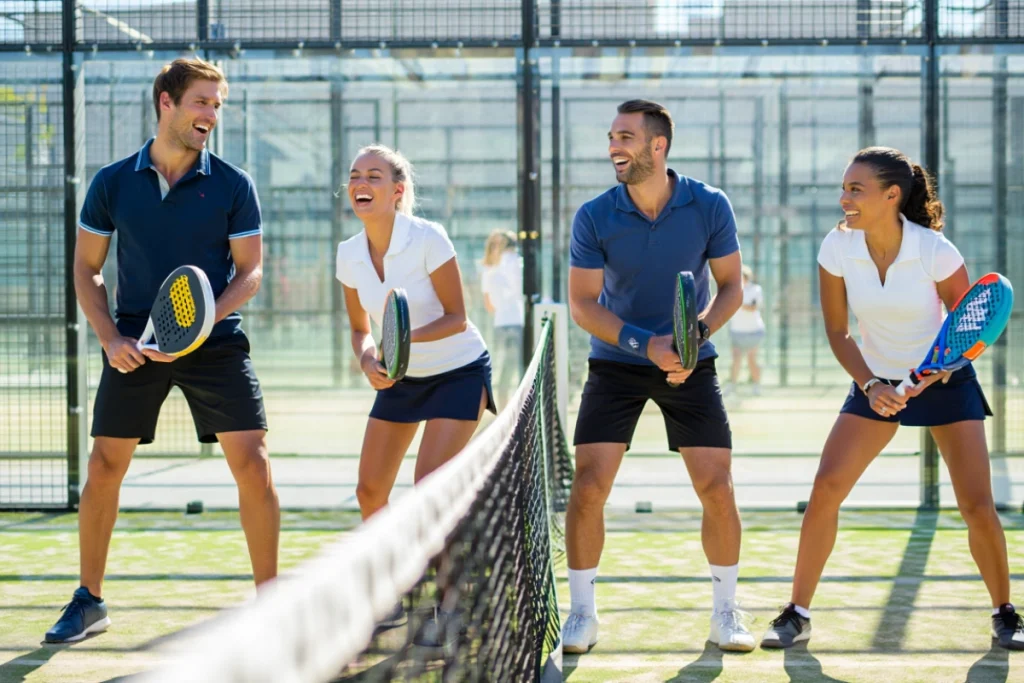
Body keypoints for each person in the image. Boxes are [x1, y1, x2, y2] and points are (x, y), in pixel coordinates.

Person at [46, 58, 279, 643]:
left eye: (218, 106)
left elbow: (249, 273)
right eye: (203, 102)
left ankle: (273, 606)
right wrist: (110, 337)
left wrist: (201, 322)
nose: (212, 115)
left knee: (252, 464)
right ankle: (89, 600)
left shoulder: (233, 183)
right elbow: (87, 269)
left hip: (217, 342)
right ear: (167, 103)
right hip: (134, 341)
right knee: (104, 466)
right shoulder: (112, 182)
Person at [761, 147, 1024, 651]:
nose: (844, 199)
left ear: (892, 195)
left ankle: (1005, 613)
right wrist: (873, 386)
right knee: (826, 488)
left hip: (946, 383)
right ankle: (797, 613)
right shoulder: (836, 249)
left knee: (976, 505)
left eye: (855, 190)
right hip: (874, 381)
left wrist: (932, 374)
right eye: (843, 189)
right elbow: (838, 333)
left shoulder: (935, 251)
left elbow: (966, 325)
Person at [564, 99, 753, 654]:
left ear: (658, 146)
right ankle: (582, 614)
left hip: (691, 363)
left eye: (625, 136)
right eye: (610, 137)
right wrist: (645, 344)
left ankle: (726, 612)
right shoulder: (594, 215)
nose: (613, 147)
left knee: (717, 487)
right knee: (589, 486)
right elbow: (582, 303)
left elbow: (731, 288)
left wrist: (693, 340)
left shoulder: (710, 204)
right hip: (616, 363)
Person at [336, 144, 495, 524]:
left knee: (429, 486)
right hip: (401, 378)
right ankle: (393, 580)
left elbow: (456, 317)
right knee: (369, 492)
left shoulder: (428, 237)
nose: (362, 183)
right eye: (356, 176)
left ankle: (447, 578)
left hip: (459, 372)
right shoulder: (348, 253)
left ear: (397, 191)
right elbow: (361, 330)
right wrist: (367, 357)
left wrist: (398, 341)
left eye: (374, 177)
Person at [480, 229, 524, 408]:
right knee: (510, 368)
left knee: (512, 367)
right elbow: (488, 302)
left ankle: (509, 408)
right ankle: (506, 410)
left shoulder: (508, 264)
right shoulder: (495, 268)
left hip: (510, 322)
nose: (500, 249)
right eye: (495, 245)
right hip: (508, 323)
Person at [726, 265, 765, 396]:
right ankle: (732, 386)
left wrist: (737, 302)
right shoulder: (731, 290)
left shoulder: (755, 290)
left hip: (753, 331)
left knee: (751, 359)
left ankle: (756, 386)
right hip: (737, 331)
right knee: (736, 359)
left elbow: (753, 307)